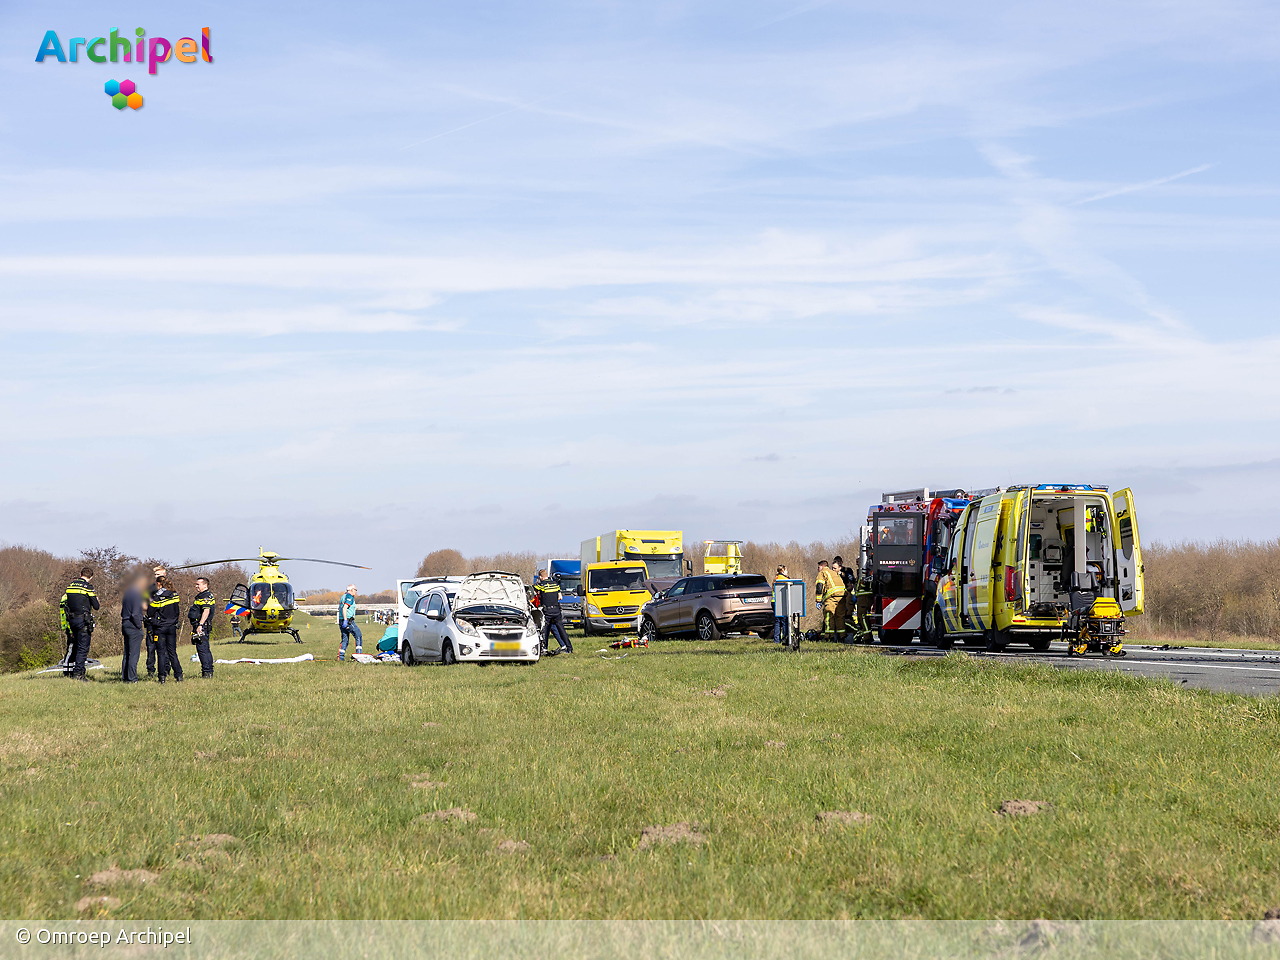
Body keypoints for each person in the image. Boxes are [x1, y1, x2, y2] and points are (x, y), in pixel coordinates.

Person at [60, 566, 100, 681]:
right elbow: (96, 606)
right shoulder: (88, 587)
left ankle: (71, 672)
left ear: (80, 574)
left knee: (75, 646)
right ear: (91, 577)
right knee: (83, 648)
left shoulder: (70, 586)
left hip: (71, 620)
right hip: (83, 621)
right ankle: (78, 674)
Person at [150, 575, 183, 683]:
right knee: (172, 652)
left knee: (161, 653)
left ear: (159, 584)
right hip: (172, 627)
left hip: (160, 627)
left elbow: (150, 612)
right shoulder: (174, 595)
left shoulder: (157, 597)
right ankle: (178, 675)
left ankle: (162, 676)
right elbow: (177, 611)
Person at [119, 573, 148, 683]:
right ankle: (132, 678)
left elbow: (123, 612)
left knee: (127, 653)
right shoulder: (136, 595)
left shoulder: (127, 594)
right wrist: (139, 626)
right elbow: (135, 614)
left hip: (125, 623)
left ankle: (125, 677)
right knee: (134, 654)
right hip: (133, 626)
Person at [534, 576, 572, 656]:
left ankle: (544, 648)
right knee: (561, 630)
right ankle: (569, 648)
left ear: (541, 577)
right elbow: (560, 597)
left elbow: (534, 590)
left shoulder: (541, 585)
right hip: (556, 610)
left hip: (547, 611)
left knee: (545, 631)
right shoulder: (555, 584)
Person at [188, 576, 216, 678]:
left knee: (202, 649)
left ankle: (207, 672)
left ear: (205, 585)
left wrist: (200, 625)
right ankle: (208, 671)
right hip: (200, 625)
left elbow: (206, 610)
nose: (196, 586)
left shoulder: (205, 596)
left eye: (198, 584)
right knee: (204, 648)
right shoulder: (202, 596)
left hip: (202, 626)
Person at [814, 560, 846, 642]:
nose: (818, 569)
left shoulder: (822, 573)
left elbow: (819, 586)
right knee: (840, 616)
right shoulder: (833, 572)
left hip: (832, 597)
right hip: (842, 596)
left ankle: (829, 637)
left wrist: (818, 600)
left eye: (818, 567)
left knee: (829, 616)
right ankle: (841, 636)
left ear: (822, 566)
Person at [144, 566, 165, 676]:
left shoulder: (169, 588)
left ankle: (166, 669)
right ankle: (150, 670)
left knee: (165, 647)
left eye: (159, 575)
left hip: (165, 622)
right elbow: (144, 604)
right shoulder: (150, 589)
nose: (157, 577)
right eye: (155, 575)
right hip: (152, 622)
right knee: (151, 647)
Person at [832, 556, 856, 638]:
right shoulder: (832, 573)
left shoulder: (847, 570)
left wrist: (842, 574)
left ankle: (849, 631)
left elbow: (851, 580)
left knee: (847, 614)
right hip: (836, 595)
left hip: (846, 593)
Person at [337, 584, 362, 660]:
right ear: (351, 590)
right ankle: (359, 655)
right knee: (358, 635)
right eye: (355, 590)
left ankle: (340, 657)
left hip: (341, 620)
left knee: (345, 639)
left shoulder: (343, 596)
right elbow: (345, 608)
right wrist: (345, 620)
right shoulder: (349, 597)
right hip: (348, 620)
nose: (356, 592)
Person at [772, 565, 790, 643]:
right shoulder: (783, 578)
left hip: (774, 602)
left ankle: (776, 639)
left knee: (777, 621)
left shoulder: (776, 578)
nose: (787, 572)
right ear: (782, 571)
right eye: (786, 570)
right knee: (784, 620)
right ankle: (785, 638)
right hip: (780, 602)